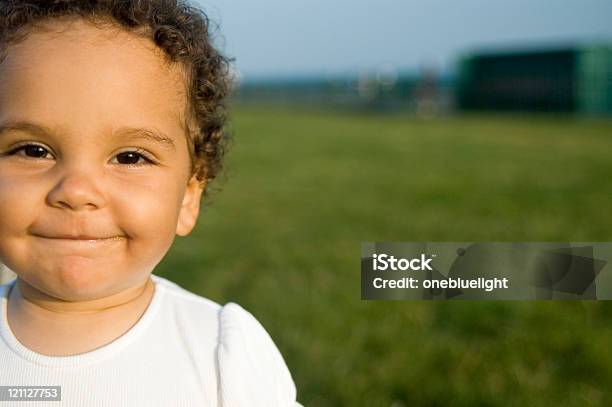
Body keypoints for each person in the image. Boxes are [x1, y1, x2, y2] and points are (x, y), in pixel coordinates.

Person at [0, 1, 302, 406]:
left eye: (130, 157)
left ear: (188, 195)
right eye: (33, 150)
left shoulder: (220, 353)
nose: (76, 191)